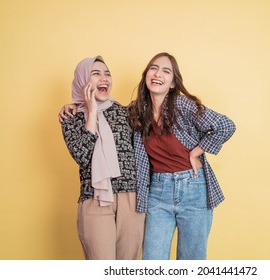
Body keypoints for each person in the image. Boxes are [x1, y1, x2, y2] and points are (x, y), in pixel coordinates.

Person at [59, 52, 236, 260]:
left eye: (166, 71)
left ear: (172, 83)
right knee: (149, 261)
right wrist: (82, 107)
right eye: (153, 68)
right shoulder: (131, 112)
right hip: (151, 192)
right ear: (145, 75)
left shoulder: (166, 107)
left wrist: (197, 150)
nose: (158, 74)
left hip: (185, 188)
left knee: (191, 259)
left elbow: (226, 126)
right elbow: (89, 144)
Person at [60, 56, 145, 260]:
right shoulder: (71, 117)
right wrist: (91, 111)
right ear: (83, 81)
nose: (104, 78)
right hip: (95, 197)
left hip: (131, 199)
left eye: (107, 74)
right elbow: (82, 156)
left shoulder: (127, 113)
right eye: (96, 74)